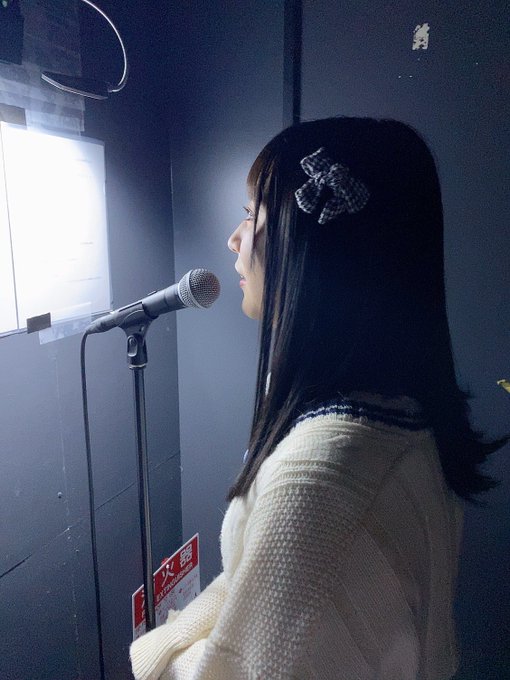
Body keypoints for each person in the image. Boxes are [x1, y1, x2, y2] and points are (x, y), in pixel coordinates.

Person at [130, 117, 507, 680]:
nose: (235, 238)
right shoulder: (399, 414)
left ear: (313, 245)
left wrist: (158, 658)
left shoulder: (320, 487)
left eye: (252, 214)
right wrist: (171, 640)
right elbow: (255, 583)